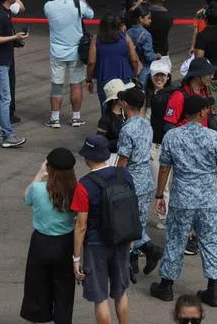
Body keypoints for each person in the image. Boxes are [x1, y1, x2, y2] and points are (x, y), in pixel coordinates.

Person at [151, 95, 217, 306]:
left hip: (182, 197)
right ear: (201, 113)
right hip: (207, 198)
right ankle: (213, 289)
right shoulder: (214, 138)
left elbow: (164, 168)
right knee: (210, 241)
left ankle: (166, 286)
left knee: (176, 239)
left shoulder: (172, 136)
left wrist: (159, 194)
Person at [71, 134, 135, 324]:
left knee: (100, 298)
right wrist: (131, 238)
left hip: (96, 243)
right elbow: (131, 207)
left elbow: (81, 225)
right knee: (121, 292)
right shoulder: (124, 174)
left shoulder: (84, 185)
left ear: (87, 158)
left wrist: (76, 258)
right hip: (122, 238)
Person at [20, 148, 78, 324]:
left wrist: (40, 172)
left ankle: (34, 318)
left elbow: (26, 198)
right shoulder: (74, 191)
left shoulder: (38, 190)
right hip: (65, 242)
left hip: (41, 243)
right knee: (64, 291)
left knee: (35, 289)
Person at [116, 86, 162, 281]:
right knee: (140, 220)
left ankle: (148, 248)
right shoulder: (146, 124)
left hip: (132, 179)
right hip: (146, 178)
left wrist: (116, 180)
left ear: (125, 104)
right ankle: (133, 261)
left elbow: (123, 159)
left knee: (128, 223)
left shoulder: (128, 129)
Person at [44, 0, 94, 128]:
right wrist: (83, 2)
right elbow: (90, 14)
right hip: (76, 51)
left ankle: (55, 118)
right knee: (76, 85)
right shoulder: (78, 4)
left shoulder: (49, 6)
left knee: (57, 86)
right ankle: (76, 117)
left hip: (57, 52)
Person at [0, 0, 29, 148]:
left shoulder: (3, 12)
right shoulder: (0, 15)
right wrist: (14, 38)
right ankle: (7, 135)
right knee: (4, 99)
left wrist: (14, 40)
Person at [87, 12, 141, 110]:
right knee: (124, 106)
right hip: (124, 77)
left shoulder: (96, 39)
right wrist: (135, 74)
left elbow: (91, 62)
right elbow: (134, 60)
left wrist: (89, 79)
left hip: (104, 78)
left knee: (106, 107)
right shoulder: (126, 37)